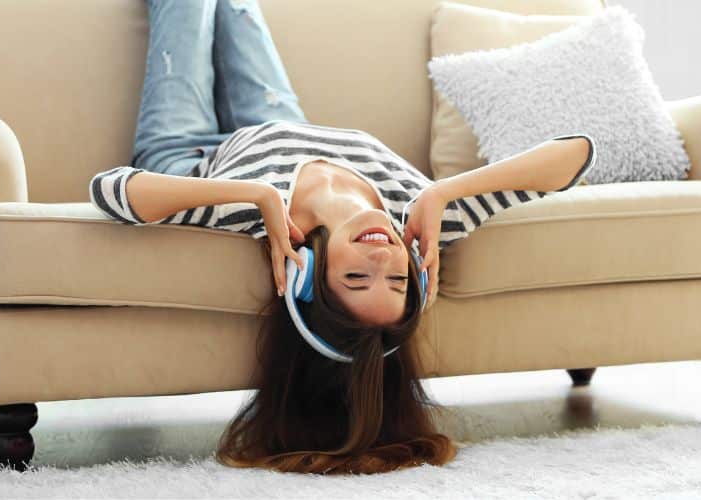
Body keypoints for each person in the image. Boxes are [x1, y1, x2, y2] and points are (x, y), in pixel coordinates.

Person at [89, 0, 596, 475]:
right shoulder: (423, 217)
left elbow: (110, 191)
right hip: (279, 123)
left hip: (190, 155)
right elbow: (576, 153)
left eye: (356, 277)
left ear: (309, 274)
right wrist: (446, 190)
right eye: (398, 280)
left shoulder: (260, 220)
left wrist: (256, 194)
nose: (381, 258)